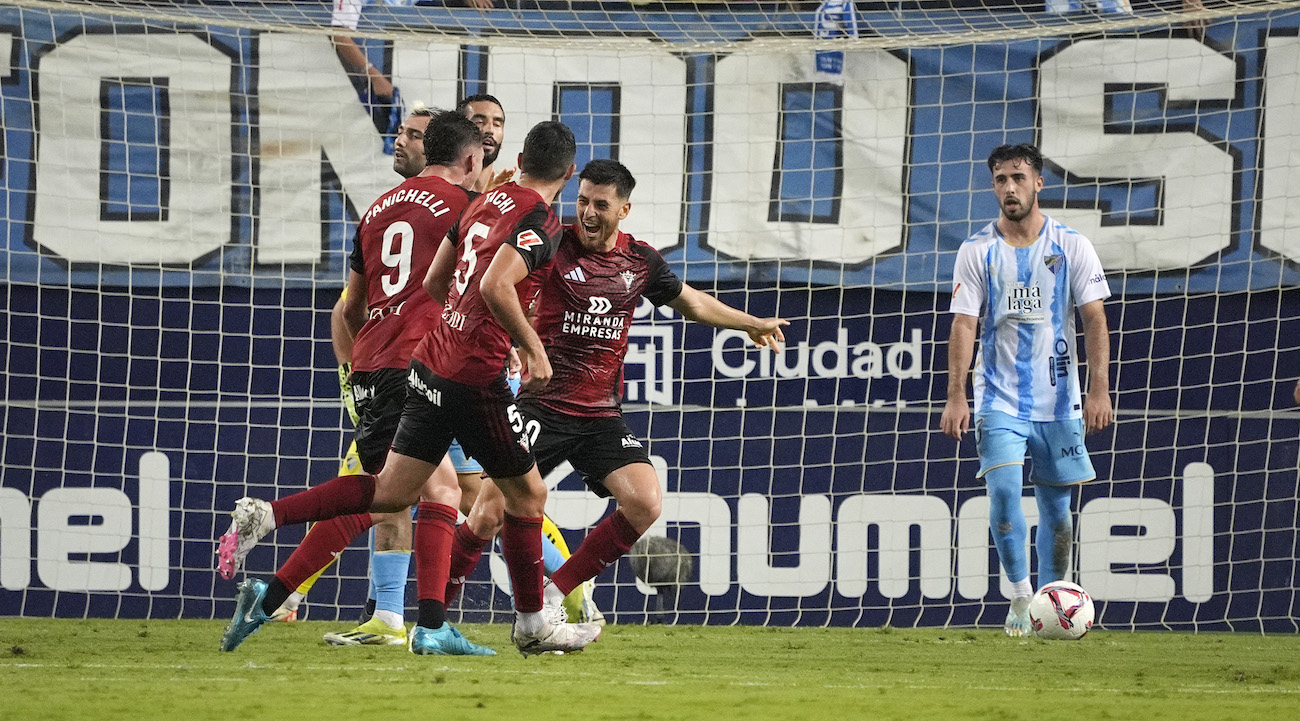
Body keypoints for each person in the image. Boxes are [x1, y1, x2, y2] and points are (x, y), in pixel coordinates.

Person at [219, 120, 603, 658]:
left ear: (516, 154)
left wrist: (440, 325)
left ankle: (274, 525)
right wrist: (525, 344)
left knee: (398, 493)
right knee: (517, 494)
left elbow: (409, 289)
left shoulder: (439, 205)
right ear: (568, 173)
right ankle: (525, 620)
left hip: (416, 363)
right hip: (466, 369)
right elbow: (494, 284)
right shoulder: (526, 213)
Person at [445, 159, 789, 621]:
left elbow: (692, 301)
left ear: (624, 210)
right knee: (487, 513)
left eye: (600, 205)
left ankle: (558, 593)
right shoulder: (550, 242)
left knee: (645, 500)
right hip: (540, 405)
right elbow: (496, 283)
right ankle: (432, 617)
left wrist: (751, 324)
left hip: (599, 414)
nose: (587, 212)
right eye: (582, 200)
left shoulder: (639, 260)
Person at [939, 143, 1114, 637]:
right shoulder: (977, 250)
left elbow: (1094, 318)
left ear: (1039, 183)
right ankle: (1020, 597)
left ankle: (1051, 605)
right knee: (1004, 493)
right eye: (1000, 180)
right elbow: (964, 325)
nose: (1009, 188)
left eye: (1018, 177)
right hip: (998, 398)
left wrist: (1098, 390)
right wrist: (957, 396)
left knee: (1058, 514)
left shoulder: (1071, 245)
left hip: (1059, 397)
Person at [457, 94, 514, 193]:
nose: (490, 130)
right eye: (479, 122)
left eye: (497, 124)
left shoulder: (505, 201)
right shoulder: (439, 192)